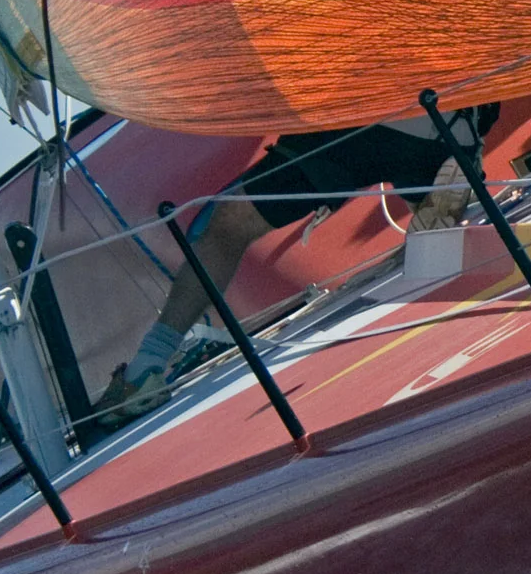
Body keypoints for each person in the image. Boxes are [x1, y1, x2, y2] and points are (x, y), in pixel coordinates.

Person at [104, 107, 494, 414]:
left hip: (358, 123)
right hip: (447, 123)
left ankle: (147, 366)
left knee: (227, 223)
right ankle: (450, 196)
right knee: (432, 176)